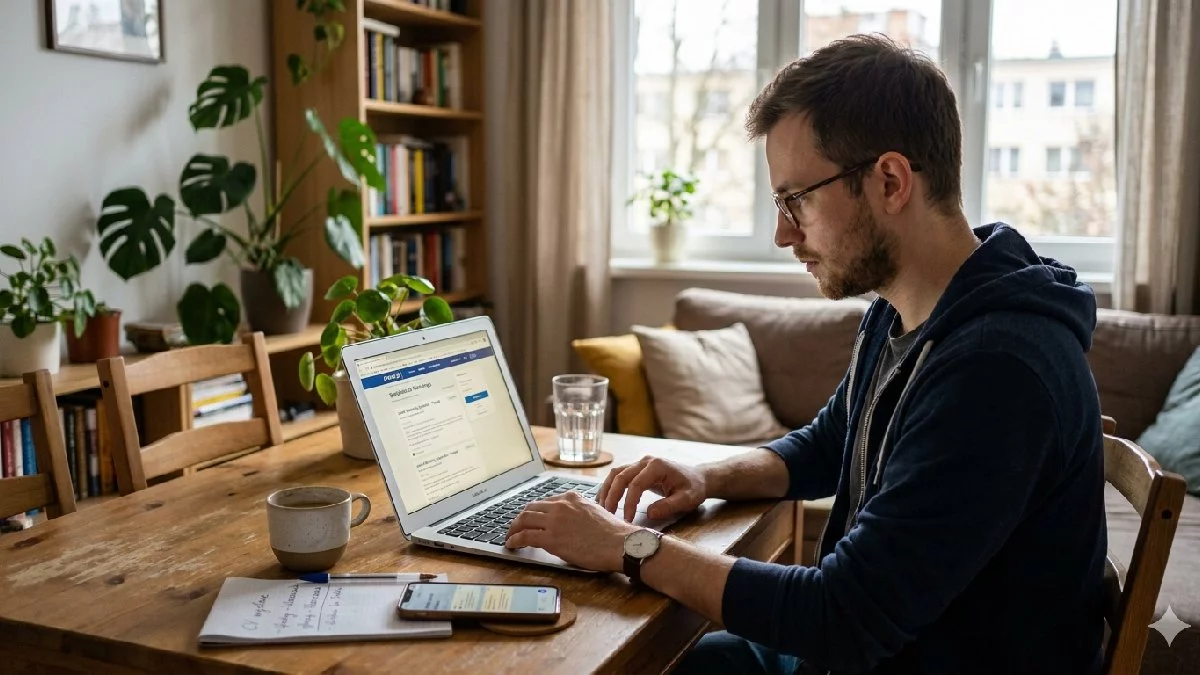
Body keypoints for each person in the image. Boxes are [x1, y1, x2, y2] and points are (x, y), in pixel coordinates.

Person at [504, 34, 1107, 675]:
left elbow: (842, 615)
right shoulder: (908, 310)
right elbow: (831, 443)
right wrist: (707, 476)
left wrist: (628, 545)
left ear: (891, 181)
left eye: (797, 200)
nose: (782, 233)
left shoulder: (996, 368)